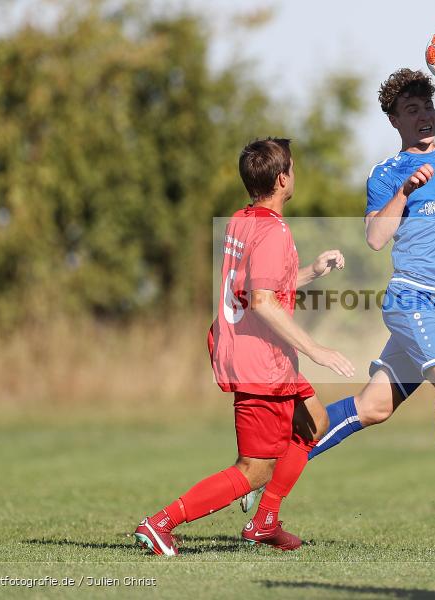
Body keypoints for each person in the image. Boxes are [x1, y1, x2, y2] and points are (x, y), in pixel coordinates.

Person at [243, 68, 435, 544]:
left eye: (428, 106)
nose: (424, 115)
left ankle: (266, 480)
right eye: (411, 110)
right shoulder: (387, 173)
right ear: (394, 120)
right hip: (412, 300)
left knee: (371, 407)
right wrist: (405, 192)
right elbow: (374, 237)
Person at [133, 138, 353, 555]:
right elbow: (263, 302)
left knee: (315, 422)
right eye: (293, 168)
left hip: (257, 355)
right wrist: (316, 349)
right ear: (283, 179)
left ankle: (266, 520)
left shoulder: (242, 220)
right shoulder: (271, 232)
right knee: (254, 469)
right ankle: (160, 523)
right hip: (262, 362)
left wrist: (311, 271)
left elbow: (253, 287)